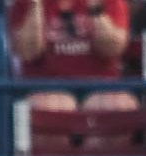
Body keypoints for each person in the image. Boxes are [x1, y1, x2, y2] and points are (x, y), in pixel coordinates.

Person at [7, 0, 137, 113]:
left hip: (100, 85)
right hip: (45, 86)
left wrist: (96, 10)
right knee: (51, 105)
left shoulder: (111, 2)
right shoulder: (24, 3)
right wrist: (35, 6)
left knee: (118, 105)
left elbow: (113, 49)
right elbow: (28, 52)